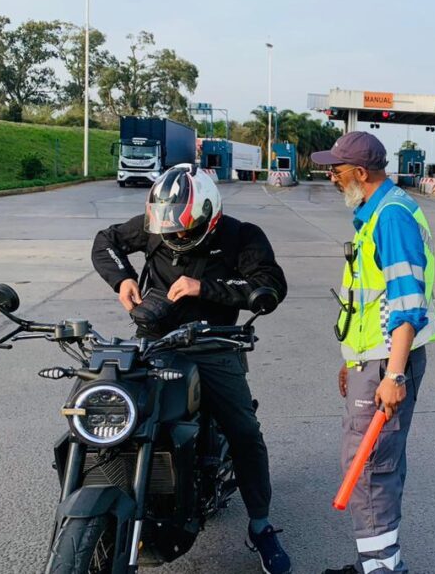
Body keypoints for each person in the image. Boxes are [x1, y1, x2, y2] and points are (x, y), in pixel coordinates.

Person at [91, 164, 291, 574]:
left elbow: (268, 285)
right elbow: (105, 241)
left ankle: (261, 525)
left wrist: (205, 288)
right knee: (119, 416)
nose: (176, 239)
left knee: (244, 432)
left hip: (213, 345)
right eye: (168, 233)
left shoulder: (241, 236)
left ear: (209, 215)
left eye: (185, 231)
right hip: (155, 342)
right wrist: (123, 280)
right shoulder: (155, 226)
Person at [311, 132, 435, 574]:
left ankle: (383, 569)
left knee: (370, 466)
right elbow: (368, 302)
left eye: (337, 169)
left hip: (388, 361)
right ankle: (377, 561)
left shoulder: (391, 219)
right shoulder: (379, 213)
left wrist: (394, 375)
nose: (331, 176)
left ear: (360, 173)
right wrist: (352, 360)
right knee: (377, 462)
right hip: (375, 359)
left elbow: (406, 304)